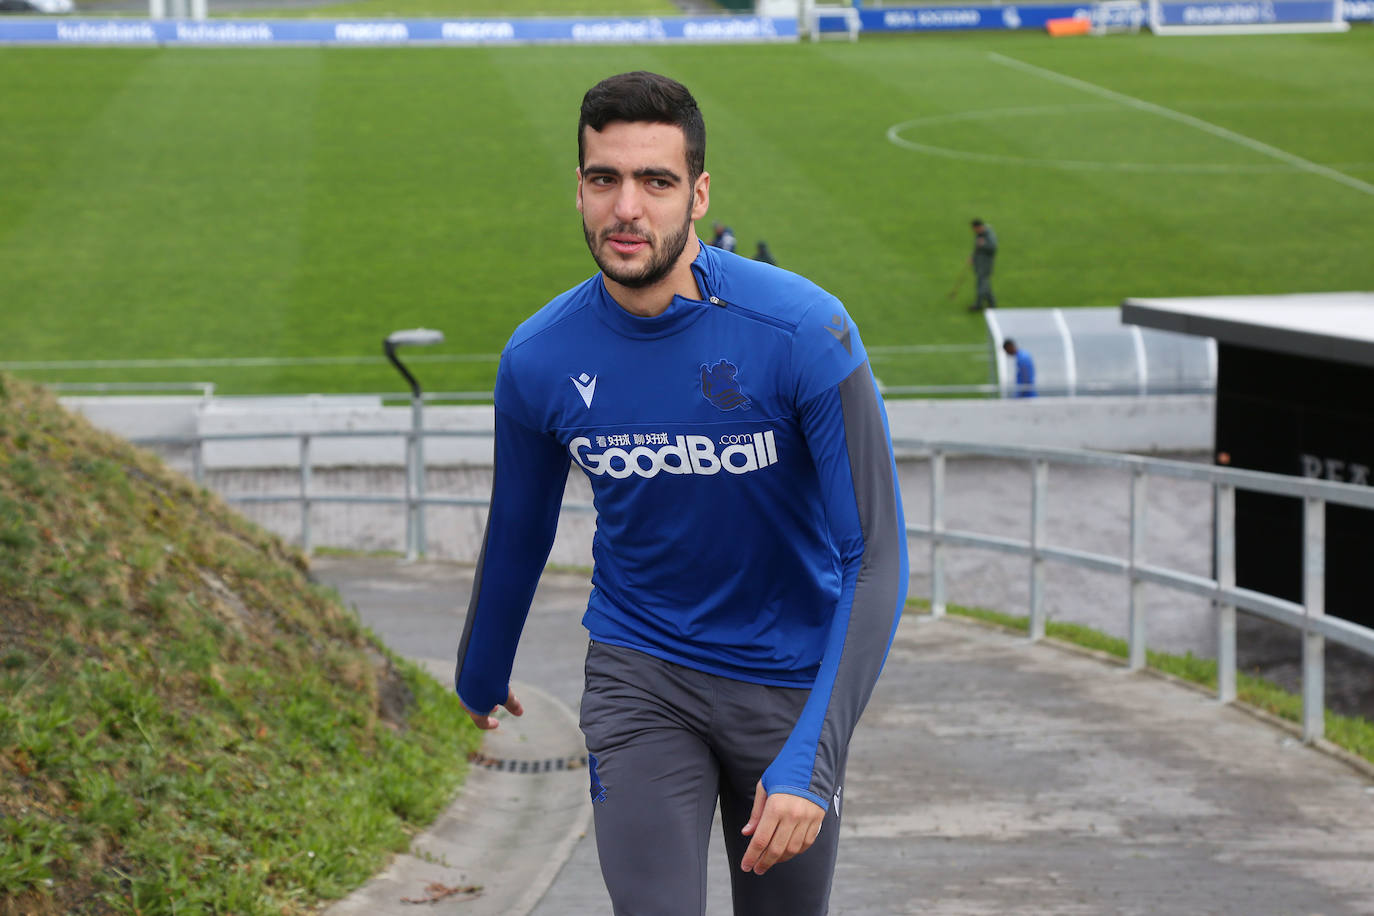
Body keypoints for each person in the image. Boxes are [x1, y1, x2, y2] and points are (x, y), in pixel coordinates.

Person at [453, 71, 908, 916]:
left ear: (697, 194)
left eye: (655, 181)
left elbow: (873, 555)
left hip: (787, 684)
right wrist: (479, 670)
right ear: (580, 190)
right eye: (604, 179)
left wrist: (815, 754)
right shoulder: (539, 358)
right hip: (641, 672)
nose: (628, 208)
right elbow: (519, 528)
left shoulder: (807, 332)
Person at [968, 218, 997, 311]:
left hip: (986, 264)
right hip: (979, 263)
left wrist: (983, 244)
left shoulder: (989, 235)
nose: (974, 231)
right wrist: (973, 257)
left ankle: (978, 304)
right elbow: (977, 247)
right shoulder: (979, 234)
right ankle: (992, 303)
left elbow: (993, 248)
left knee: (981, 284)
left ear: (979, 227)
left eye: (975, 229)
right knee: (984, 284)